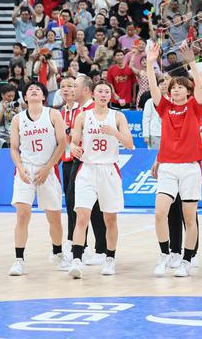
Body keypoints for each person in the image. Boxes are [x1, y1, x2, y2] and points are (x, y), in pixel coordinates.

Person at [146, 41, 202, 278]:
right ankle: (165, 255)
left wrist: (192, 63)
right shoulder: (164, 108)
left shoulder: (195, 107)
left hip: (190, 168)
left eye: (179, 87)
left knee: (189, 216)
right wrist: (150, 62)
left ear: (187, 90)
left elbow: (201, 91)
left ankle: (187, 259)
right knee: (159, 212)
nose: (174, 90)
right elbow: (154, 88)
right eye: (172, 87)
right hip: (168, 168)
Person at [67, 80, 135, 278]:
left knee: (110, 219)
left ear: (110, 96)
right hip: (87, 169)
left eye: (107, 91)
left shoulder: (118, 116)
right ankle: (77, 260)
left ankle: (110, 258)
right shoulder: (83, 116)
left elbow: (130, 144)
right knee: (81, 217)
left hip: (109, 170)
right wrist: (73, 147)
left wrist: (115, 132)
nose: (104, 94)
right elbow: (73, 141)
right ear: (93, 95)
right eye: (100, 91)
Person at [8, 82, 67, 276]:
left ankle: (58, 253)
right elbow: (14, 148)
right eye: (30, 90)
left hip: (48, 169)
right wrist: (20, 169)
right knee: (22, 215)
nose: (34, 91)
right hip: (26, 169)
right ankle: (18, 260)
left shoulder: (53, 115)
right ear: (25, 97)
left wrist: (48, 167)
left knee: (54, 218)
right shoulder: (18, 119)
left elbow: (62, 143)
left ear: (44, 96)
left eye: (38, 90)